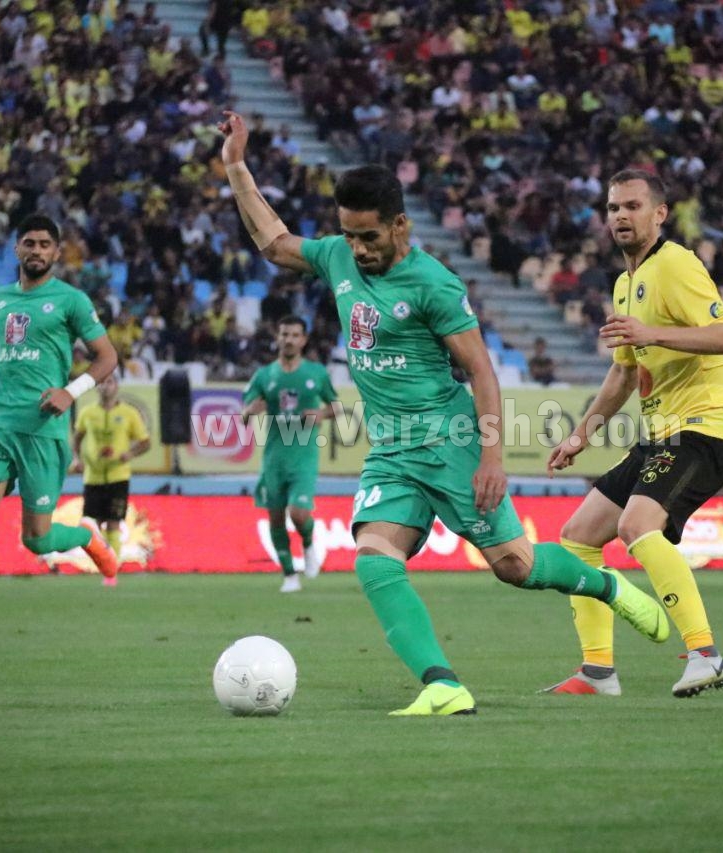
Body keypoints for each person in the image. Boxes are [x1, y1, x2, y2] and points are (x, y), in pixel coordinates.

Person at [218, 111, 671, 715]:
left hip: (450, 442)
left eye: (368, 237)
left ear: (399, 225)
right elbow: (276, 244)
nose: (357, 249)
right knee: (374, 556)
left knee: (515, 566)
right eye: (349, 236)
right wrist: (236, 167)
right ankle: (443, 684)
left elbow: (481, 371)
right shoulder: (339, 258)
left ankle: (609, 586)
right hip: (392, 451)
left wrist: (492, 458)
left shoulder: (433, 284)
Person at [544, 170, 723, 698]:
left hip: (703, 429)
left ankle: (707, 655)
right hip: (662, 437)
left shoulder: (675, 263)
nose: (620, 216)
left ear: (659, 214)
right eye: (613, 207)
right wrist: (580, 436)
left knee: (637, 525)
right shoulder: (624, 284)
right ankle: (597, 672)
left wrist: (650, 332)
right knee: (578, 536)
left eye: (632, 206)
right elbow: (624, 373)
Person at [0, 214, 120, 640]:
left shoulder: (71, 300)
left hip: (43, 430)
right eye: (29, 243)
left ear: (57, 252)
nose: (36, 250)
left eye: (45, 244)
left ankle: (85, 537)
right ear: (16, 249)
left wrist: (70, 391)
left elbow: (108, 357)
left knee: (37, 540)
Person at [240, 315, 338, 592]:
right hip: (274, 458)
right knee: (275, 517)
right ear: (277, 338)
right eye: (284, 334)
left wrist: (320, 414)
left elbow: (336, 407)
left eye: (295, 335)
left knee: (298, 513)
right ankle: (289, 576)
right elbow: (244, 414)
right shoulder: (264, 376)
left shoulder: (316, 373)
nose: (289, 340)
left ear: (304, 340)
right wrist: (250, 412)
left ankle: (308, 544)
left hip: (304, 457)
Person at [71, 372, 152, 586]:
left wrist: (129, 454)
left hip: (118, 477)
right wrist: (76, 459)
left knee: (114, 524)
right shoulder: (87, 413)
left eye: (109, 382)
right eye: (101, 383)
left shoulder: (128, 413)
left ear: (116, 386)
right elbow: (76, 439)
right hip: (92, 477)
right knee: (92, 526)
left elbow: (145, 442)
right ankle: (97, 565)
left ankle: (110, 572)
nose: (105, 387)